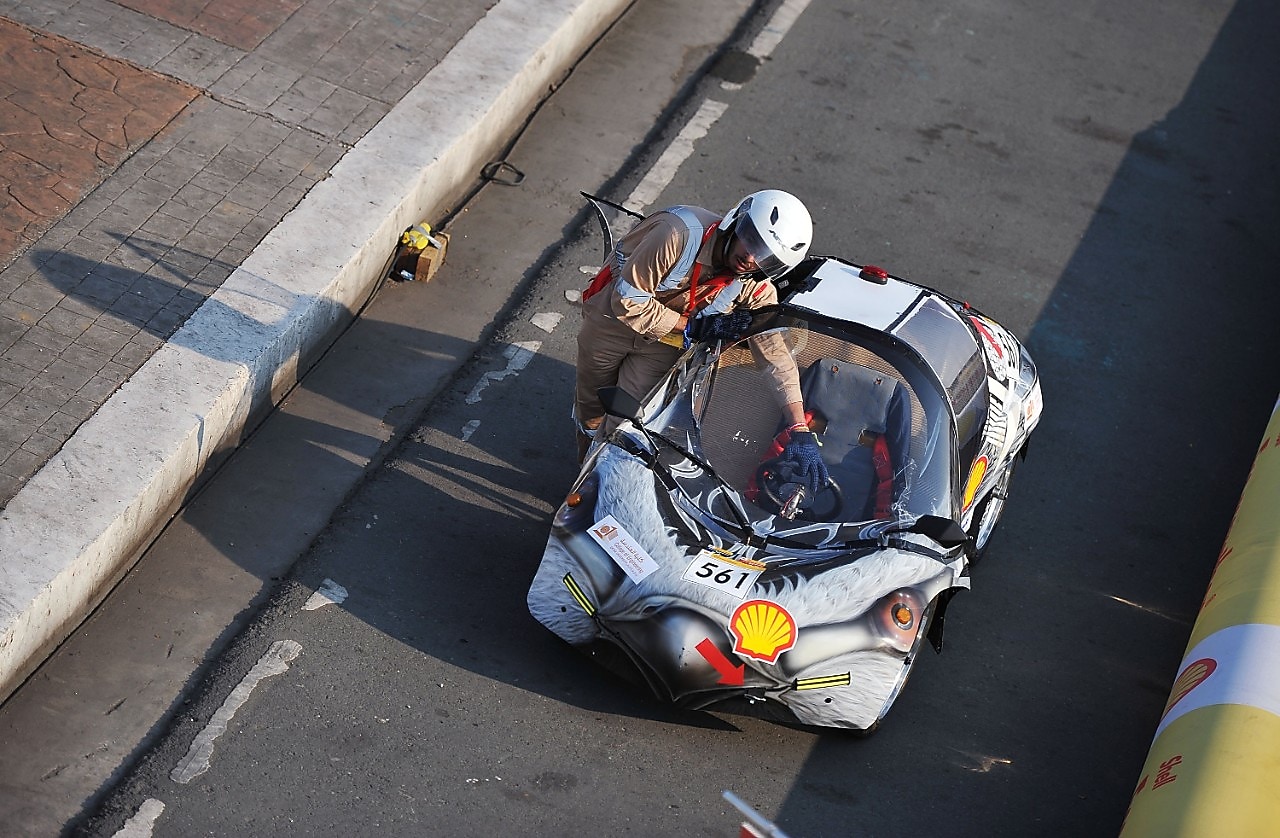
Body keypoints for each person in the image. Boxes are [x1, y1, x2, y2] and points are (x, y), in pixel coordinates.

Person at [574, 189, 829, 496]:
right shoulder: (677, 234)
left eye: (764, 255)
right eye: (751, 240)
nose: (750, 257)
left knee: (625, 425)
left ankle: (589, 492)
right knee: (591, 409)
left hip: (662, 345)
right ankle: (583, 455)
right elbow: (627, 300)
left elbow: (775, 355)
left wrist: (798, 429)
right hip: (610, 324)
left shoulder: (755, 286)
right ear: (736, 222)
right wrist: (692, 325)